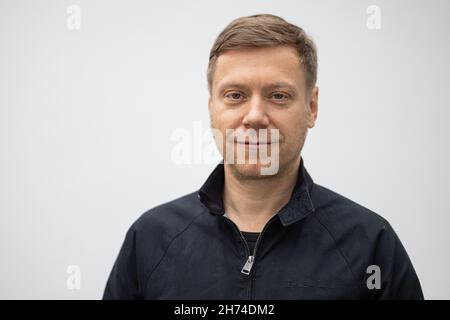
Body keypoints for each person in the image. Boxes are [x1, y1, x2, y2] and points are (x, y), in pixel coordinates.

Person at [103, 14, 423, 299]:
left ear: (312, 107)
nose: (255, 116)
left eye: (278, 95)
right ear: (212, 106)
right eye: (235, 95)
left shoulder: (370, 245)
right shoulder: (149, 240)